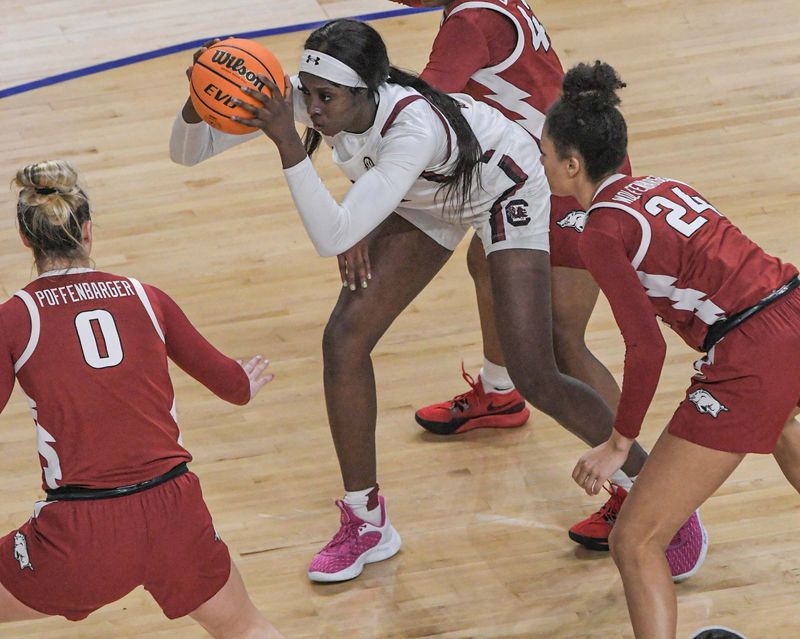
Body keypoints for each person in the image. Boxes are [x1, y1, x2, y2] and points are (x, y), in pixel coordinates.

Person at [170, 19, 628, 583]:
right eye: (306, 96)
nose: (311, 110)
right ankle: (366, 522)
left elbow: (332, 236)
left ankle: (648, 490)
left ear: (368, 91)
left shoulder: (412, 126)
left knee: (537, 370)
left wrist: (291, 148)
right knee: (344, 338)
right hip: (426, 194)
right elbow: (186, 154)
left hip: (504, 184)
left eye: (326, 99)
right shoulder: (318, 95)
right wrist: (199, 97)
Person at [387, 0, 680, 559]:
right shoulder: (483, 8)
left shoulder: (469, 23)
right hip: (544, 169)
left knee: (560, 343)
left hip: (571, 180)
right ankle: (500, 394)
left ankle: (638, 489)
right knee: (485, 262)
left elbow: (417, 111)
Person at [539, 61, 800, 638]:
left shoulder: (600, 232)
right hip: (793, 305)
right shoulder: (662, 186)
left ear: (573, 164)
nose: (542, 162)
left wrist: (618, 443)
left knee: (635, 539)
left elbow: (645, 348)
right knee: (784, 430)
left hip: (751, 350)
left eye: (546, 153)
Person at [0, 160, 285, 638]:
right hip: (176, 510)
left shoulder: (14, 317)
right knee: (246, 627)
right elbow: (233, 386)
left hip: (82, 530)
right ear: (87, 231)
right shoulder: (147, 296)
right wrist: (244, 382)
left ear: (27, 239)